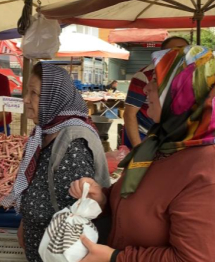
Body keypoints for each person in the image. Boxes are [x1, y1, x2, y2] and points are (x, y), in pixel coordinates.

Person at [70, 45, 215, 262]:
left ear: (183, 92)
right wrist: (103, 198)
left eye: (156, 82)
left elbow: (194, 258)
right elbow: (137, 202)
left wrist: (115, 258)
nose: (146, 89)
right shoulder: (158, 144)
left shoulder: (205, 170)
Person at [1, 62, 110, 262]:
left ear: (54, 97)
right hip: (40, 244)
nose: (25, 100)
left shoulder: (74, 142)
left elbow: (80, 208)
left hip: (61, 251)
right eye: (27, 92)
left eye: (33, 93)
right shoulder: (46, 131)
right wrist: (27, 222)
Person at [123, 36, 189, 148]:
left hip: (171, 134)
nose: (180, 54)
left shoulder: (190, 74)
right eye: (174, 51)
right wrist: (137, 149)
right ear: (162, 54)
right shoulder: (144, 76)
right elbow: (129, 114)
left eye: (184, 50)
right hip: (144, 133)